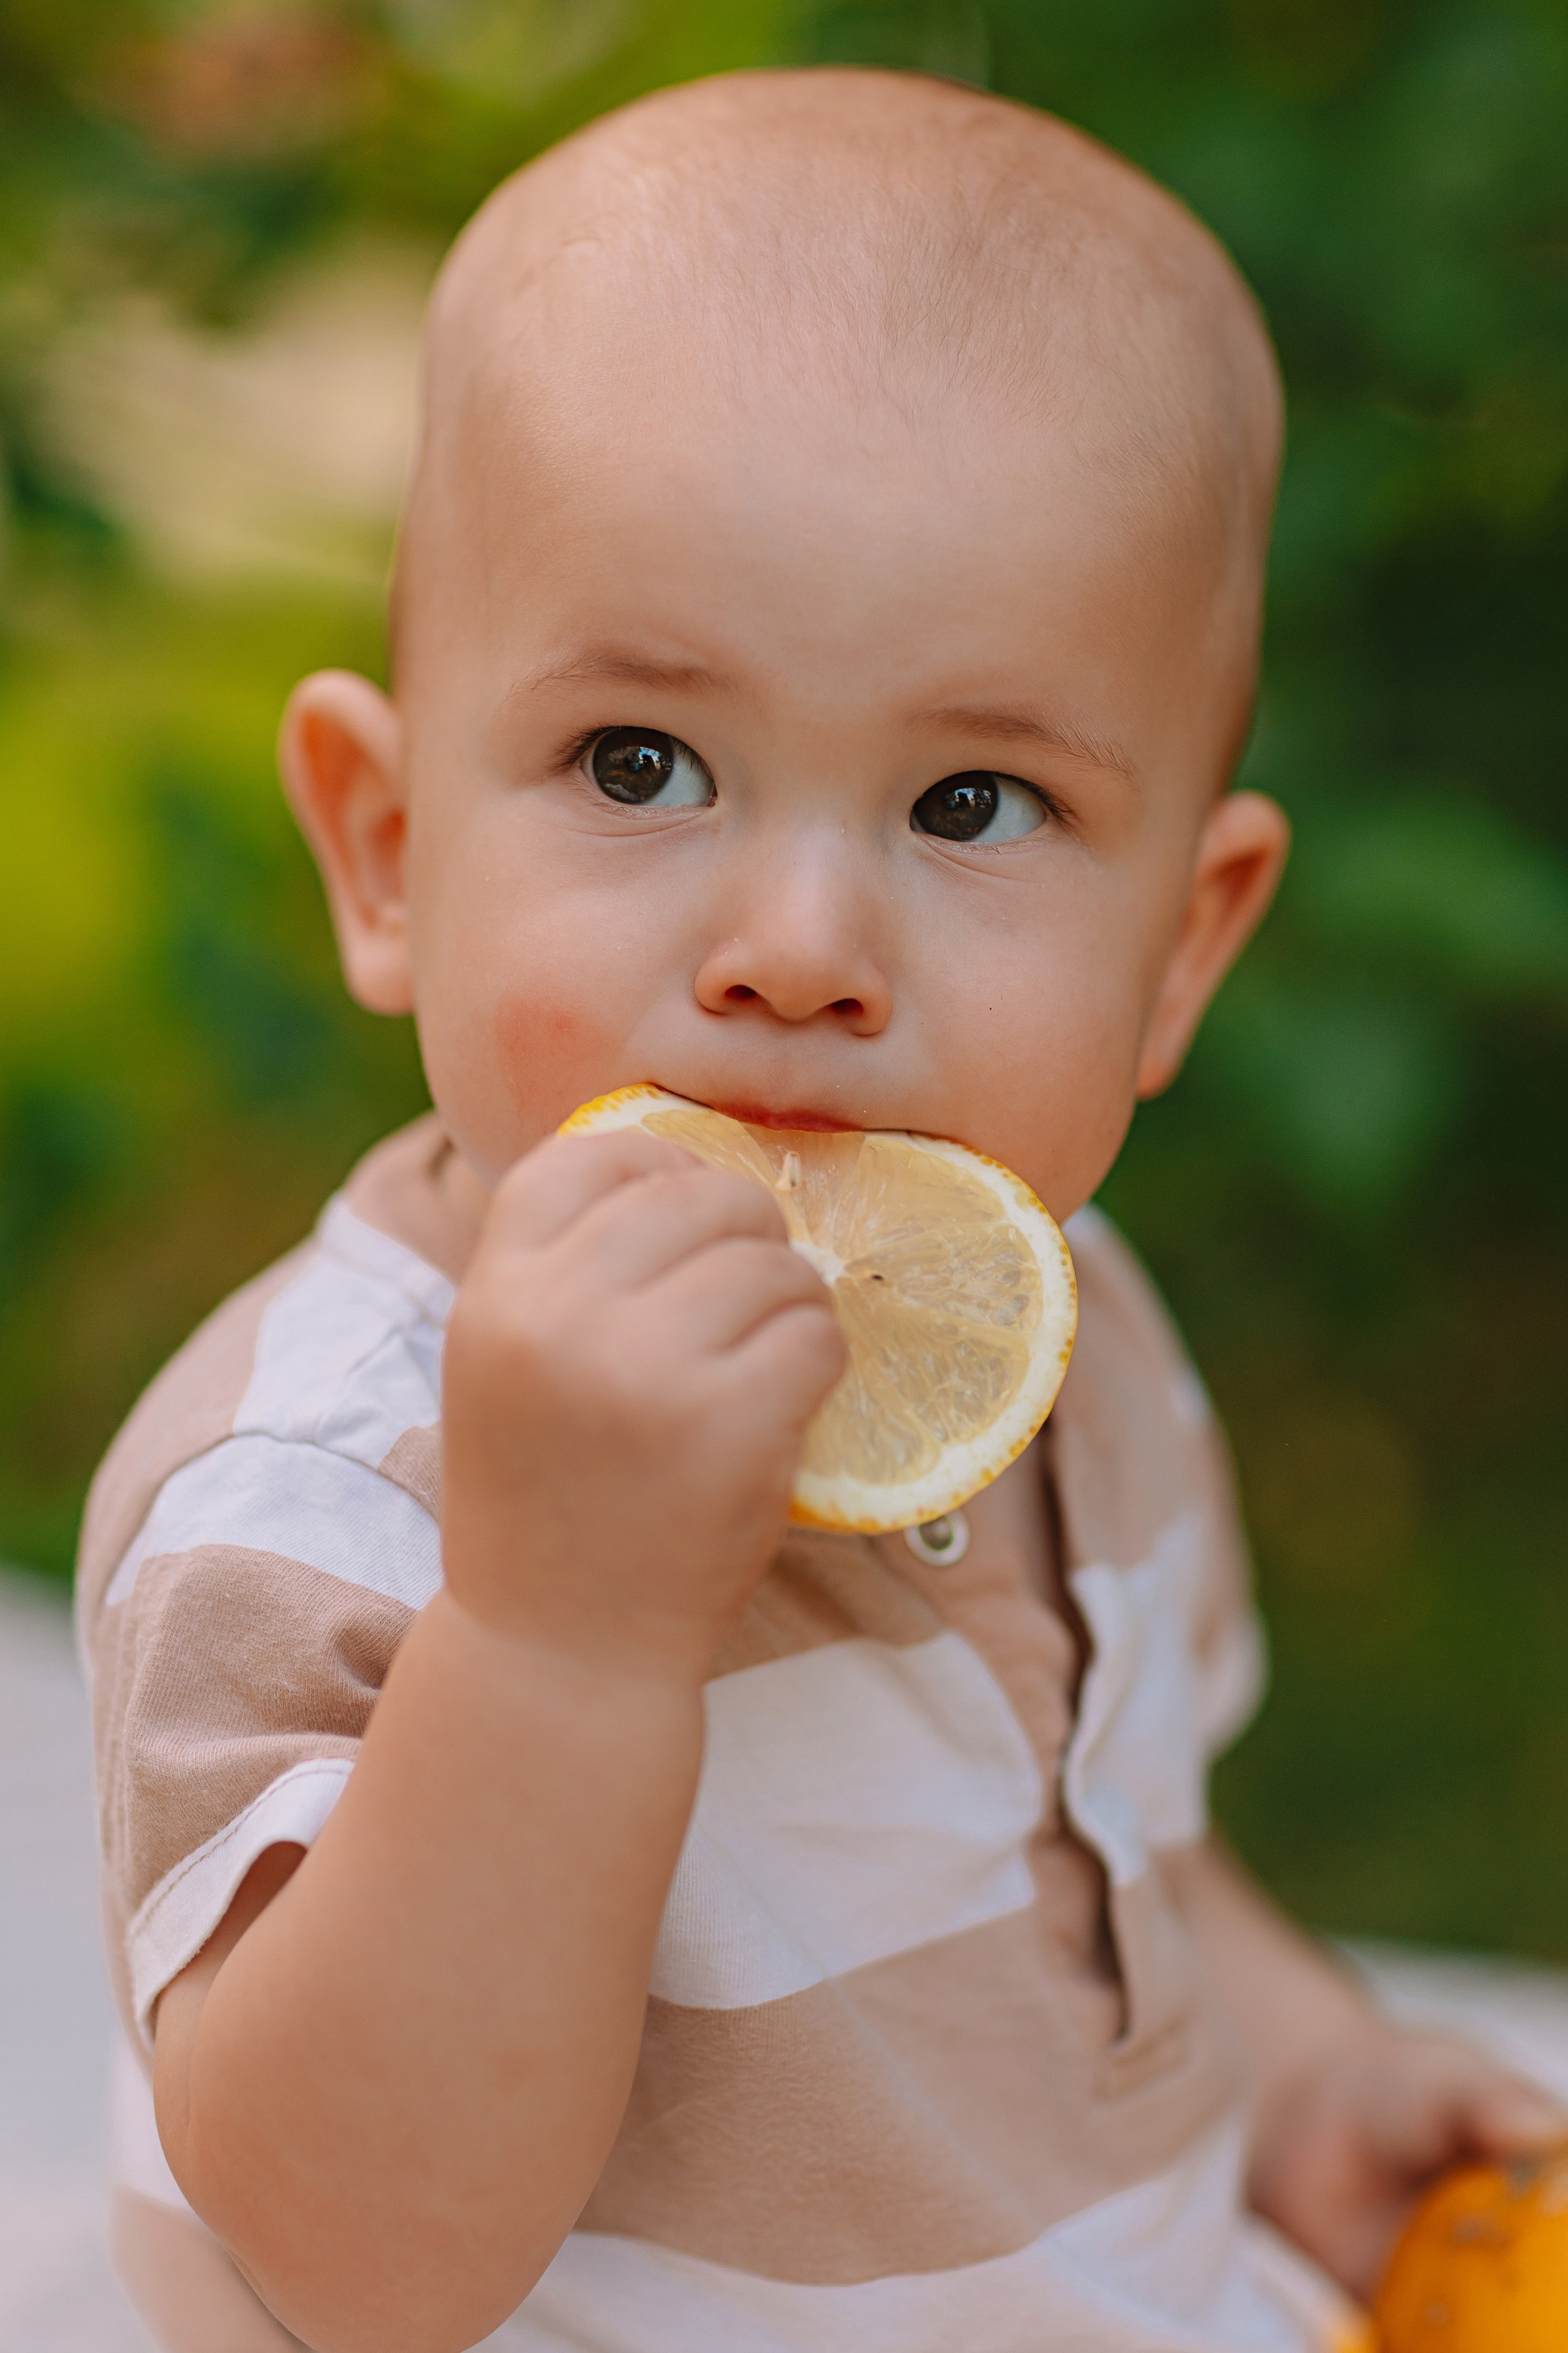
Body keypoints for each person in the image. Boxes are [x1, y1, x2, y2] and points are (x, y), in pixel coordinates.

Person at [76, 66, 1564, 2353]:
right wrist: (559, 1637)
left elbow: (1113, 1853)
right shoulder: (325, 1487)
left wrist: (1294, 2075)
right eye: (640, 764)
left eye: (975, 799)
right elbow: (347, 2259)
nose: (799, 938)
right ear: (385, 849)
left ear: (1184, 944)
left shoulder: (1066, 1337)